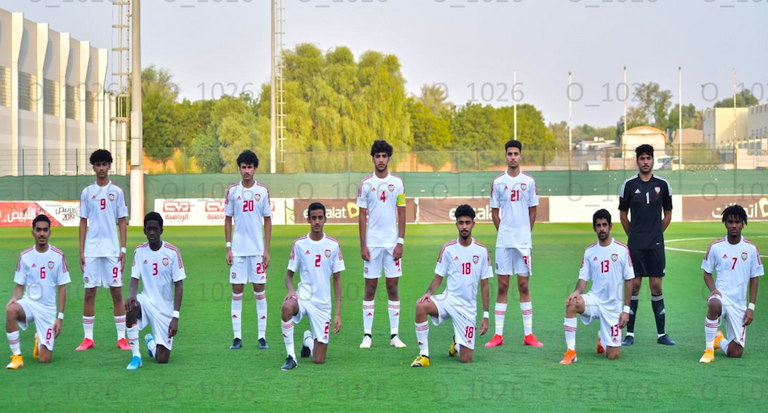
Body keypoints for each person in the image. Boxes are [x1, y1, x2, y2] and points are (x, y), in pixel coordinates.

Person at [411, 205, 491, 367]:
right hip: (448, 300)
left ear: (473, 224)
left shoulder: (482, 251)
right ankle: (424, 355)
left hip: (467, 309)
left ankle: (457, 342)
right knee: (420, 306)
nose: (464, 226)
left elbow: (485, 285)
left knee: (466, 359)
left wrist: (486, 315)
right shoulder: (448, 249)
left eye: (467, 223)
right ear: (456, 224)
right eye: (460, 223)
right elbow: (439, 277)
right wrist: (428, 292)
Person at [486, 140, 542, 348]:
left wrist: (525, 233)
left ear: (521, 156)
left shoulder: (529, 181)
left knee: (523, 285)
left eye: (516, 154)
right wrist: (504, 232)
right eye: (509, 154)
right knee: (502, 286)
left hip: (523, 242)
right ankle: (498, 335)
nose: (512, 157)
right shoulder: (498, 182)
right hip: (504, 243)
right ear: (505, 156)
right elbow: (494, 211)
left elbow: (533, 210)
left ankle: (528, 335)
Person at [560, 209, 633, 365]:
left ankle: (603, 338)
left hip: (613, 308)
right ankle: (571, 352)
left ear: (610, 226)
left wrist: (626, 310)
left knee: (612, 356)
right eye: (598, 225)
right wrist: (577, 292)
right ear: (594, 228)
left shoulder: (622, 250)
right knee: (572, 303)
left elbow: (629, 280)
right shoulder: (589, 251)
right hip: (595, 300)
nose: (602, 228)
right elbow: (583, 279)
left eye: (604, 225)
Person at [618, 144, 675, 346]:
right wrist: (633, 234)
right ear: (637, 161)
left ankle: (661, 334)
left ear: (652, 160)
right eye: (641, 158)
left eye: (648, 158)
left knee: (656, 286)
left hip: (655, 244)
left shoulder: (663, 185)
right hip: (636, 244)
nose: (645, 161)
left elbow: (668, 214)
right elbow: (623, 215)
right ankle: (630, 334)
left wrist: (656, 233)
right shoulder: (628, 185)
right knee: (634, 286)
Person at [280, 202, 344, 370]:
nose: (317, 221)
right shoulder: (299, 244)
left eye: (320, 218)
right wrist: (291, 290)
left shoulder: (333, 245)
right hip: (303, 297)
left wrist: (337, 313)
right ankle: (291, 357)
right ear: (308, 220)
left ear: (325, 219)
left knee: (319, 360)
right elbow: (288, 275)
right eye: (313, 218)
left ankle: (307, 340)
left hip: (322, 305)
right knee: (287, 307)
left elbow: (337, 280)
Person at [77, 149, 130, 351]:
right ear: (93, 167)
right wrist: (81, 251)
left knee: (116, 292)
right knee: (89, 292)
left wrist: (123, 249)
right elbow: (83, 222)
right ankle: (88, 338)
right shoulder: (87, 193)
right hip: (91, 250)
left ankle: (121, 338)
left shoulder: (116, 192)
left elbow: (122, 222)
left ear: (109, 166)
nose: (101, 168)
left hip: (112, 251)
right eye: (97, 164)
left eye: (104, 164)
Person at [357, 140, 407, 349]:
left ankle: (394, 336)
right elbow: (361, 215)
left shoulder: (397, 183)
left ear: (388, 158)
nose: (380, 160)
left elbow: (402, 212)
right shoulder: (366, 184)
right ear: (373, 158)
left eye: (384, 156)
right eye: (377, 156)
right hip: (373, 244)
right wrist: (362, 245)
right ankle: (367, 335)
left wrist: (400, 242)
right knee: (370, 287)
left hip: (392, 244)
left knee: (392, 286)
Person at [699, 205, 763, 363]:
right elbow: (707, 272)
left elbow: (755, 278)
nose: (734, 225)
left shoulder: (751, 249)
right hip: (722, 297)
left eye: (737, 222)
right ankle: (708, 351)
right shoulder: (716, 247)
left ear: (743, 224)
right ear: (725, 224)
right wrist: (713, 290)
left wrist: (751, 307)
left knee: (736, 353)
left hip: (739, 304)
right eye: (730, 222)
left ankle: (718, 340)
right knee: (713, 304)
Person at [6, 215, 70, 369]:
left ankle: (39, 339)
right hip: (29, 303)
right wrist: (14, 298)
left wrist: (59, 317)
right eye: (38, 230)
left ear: (50, 232)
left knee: (44, 359)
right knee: (10, 311)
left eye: (45, 230)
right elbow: (19, 285)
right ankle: (17, 357)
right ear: (32, 232)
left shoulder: (58, 255)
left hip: (47, 310)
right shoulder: (25, 256)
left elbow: (62, 287)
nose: (42, 233)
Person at [124, 212, 185, 370]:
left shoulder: (172, 252)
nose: (151, 232)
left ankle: (151, 344)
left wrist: (175, 317)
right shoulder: (140, 251)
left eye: (155, 229)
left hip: (165, 309)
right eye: (148, 229)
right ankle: (136, 356)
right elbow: (134, 278)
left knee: (162, 359)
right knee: (131, 307)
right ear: (144, 231)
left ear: (161, 230)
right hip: (146, 301)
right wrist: (132, 294)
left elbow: (179, 285)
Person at [225, 150, 272, 350]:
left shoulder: (262, 191)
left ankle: (261, 337)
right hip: (238, 251)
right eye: (243, 167)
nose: (246, 171)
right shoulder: (232, 192)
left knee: (259, 292)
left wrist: (266, 250)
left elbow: (268, 221)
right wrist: (228, 248)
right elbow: (227, 219)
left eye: (249, 167)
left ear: (255, 169)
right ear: (240, 169)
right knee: (237, 292)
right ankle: (237, 337)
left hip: (256, 251)